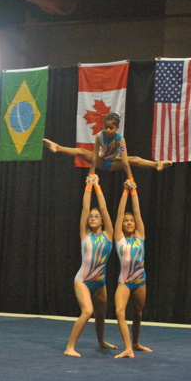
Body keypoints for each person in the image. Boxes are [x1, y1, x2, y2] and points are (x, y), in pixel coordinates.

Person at [64, 173, 117, 357]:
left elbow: (103, 208)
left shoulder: (109, 234)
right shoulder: (85, 235)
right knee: (87, 311)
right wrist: (88, 186)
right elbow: (85, 208)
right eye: (91, 217)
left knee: (101, 314)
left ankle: (101, 341)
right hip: (83, 281)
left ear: (102, 220)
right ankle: (70, 347)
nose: (92, 218)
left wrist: (97, 186)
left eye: (96, 217)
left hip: (100, 283)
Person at [43, 111, 172, 177]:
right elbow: (94, 156)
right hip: (100, 161)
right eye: (106, 127)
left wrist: (130, 177)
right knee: (81, 151)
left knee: (133, 159)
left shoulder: (120, 139)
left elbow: (125, 161)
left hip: (113, 163)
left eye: (111, 128)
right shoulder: (100, 136)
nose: (108, 130)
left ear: (117, 128)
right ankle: (57, 147)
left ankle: (157, 164)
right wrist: (92, 174)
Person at [114, 178, 152, 359]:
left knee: (138, 313)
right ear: (122, 225)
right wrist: (125, 191)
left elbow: (137, 211)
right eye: (126, 221)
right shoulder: (119, 238)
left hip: (140, 281)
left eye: (131, 221)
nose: (129, 222)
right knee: (119, 311)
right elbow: (120, 214)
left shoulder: (140, 236)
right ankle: (128, 347)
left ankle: (136, 343)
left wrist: (134, 191)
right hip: (125, 281)